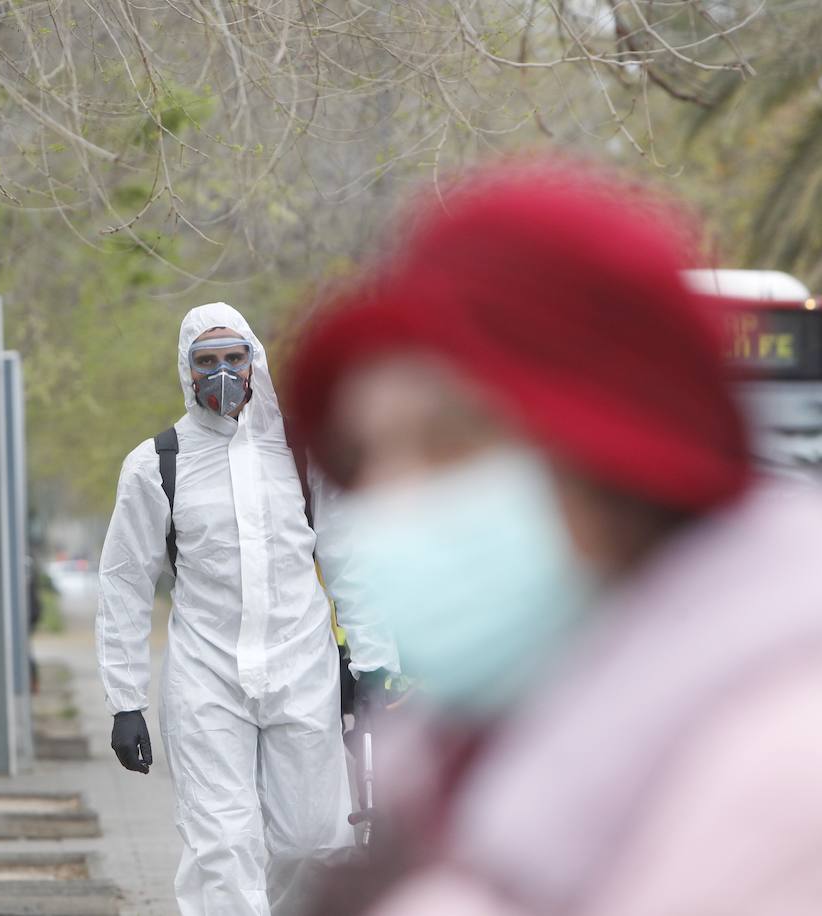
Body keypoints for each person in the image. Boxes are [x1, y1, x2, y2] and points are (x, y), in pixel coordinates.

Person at [288, 162, 822, 915]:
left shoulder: (784, 785)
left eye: (451, 442)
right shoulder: (453, 771)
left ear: (622, 459)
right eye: (363, 459)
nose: (390, 502)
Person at [96, 302, 399, 915]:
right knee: (223, 843)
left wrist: (373, 662)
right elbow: (124, 583)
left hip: (302, 668)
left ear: (254, 361)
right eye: (206, 362)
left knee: (314, 840)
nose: (223, 374)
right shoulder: (156, 465)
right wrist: (124, 701)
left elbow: (350, 560)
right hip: (207, 678)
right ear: (187, 371)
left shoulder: (302, 454)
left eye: (233, 358)